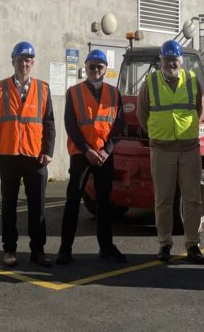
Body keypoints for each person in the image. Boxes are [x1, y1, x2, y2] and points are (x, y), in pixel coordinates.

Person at [0, 40, 56, 268]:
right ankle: (9, 250)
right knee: (9, 206)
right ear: (12, 61)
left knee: (38, 207)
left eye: (28, 60)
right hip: (8, 155)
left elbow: (49, 123)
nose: (24, 64)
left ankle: (38, 250)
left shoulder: (43, 89)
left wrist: (48, 151)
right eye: (20, 60)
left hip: (35, 157)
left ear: (32, 63)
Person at [136, 39, 204, 264]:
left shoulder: (193, 81)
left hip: (188, 149)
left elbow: (199, 109)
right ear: (161, 61)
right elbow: (142, 113)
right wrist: (158, 134)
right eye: (166, 60)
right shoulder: (150, 82)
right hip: (162, 149)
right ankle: (164, 244)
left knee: (193, 200)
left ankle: (193, 244)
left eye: (174, 59)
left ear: (181, 61)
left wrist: (187, 131)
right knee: (163, 199)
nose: (170, 63)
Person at [57, 49, 126, 265]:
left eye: (100, 66)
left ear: (106, 69)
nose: (95, 70)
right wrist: (87, 150)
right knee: (73, 201)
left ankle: (106, 247)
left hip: (104, 155)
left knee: (105, 204)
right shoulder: (74, 92)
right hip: (81, 154)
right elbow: (71, 125)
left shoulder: (114, 94)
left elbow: (119, 125)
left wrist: (106, 150)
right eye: (92, 66)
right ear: (85, 68)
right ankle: (65, 249)